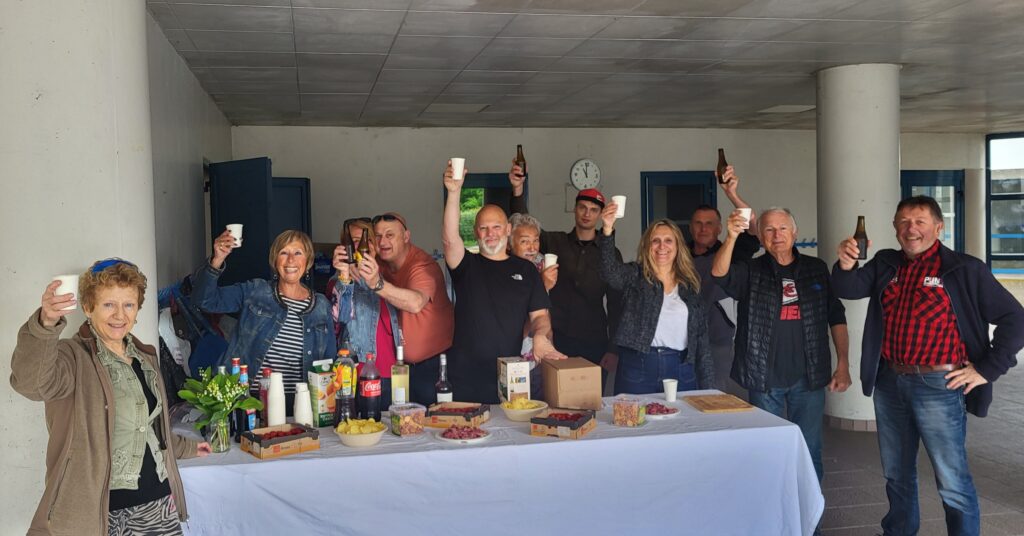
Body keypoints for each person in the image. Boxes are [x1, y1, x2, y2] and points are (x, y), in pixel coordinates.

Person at [832, 196, 1024, 535]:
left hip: (940, 386)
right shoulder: (885, 263)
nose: (911, 229)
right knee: (896, 473)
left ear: (938, 227)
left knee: (952, 480)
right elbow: (848, 288)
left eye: (920, 221)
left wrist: (986, 369)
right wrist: (845, 264)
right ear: (895, 228)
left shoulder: (964, 269)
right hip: (890, 381)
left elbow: (1015, 318)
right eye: (904, 222)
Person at [11, 259, 210, 536]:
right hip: (94, 514)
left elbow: (150, 428)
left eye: (128, 304)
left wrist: (188, 448)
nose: (119, 315)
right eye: (108, 304)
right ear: (88, 307)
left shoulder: (145, 358)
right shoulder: (72, 357)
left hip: (155, 503)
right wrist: (46, 323)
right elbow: (32, 384)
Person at [712, 207, 851, 481]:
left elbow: (836, 315)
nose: (777, 235)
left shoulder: (816, 268)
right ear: (761, 237)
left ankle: (810, 509)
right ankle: (773, 507)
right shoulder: (751, 270)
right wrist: (731, 237)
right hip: (763, 376)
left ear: (795, 233)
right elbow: (719, 274)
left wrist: (843, 364)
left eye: (783, 228)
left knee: (809, 450)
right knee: (768, 449)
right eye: (769, 229)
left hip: (808, 376)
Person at [443, 159, 566, 403]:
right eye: (484, 228)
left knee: (510, 426)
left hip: (509, 375)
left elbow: (540, 317)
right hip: (465, 375)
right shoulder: (466, 265)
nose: (491, 234)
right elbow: (449, 240)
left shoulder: (527, 270)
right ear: (476, 232)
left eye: (497, 227)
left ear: (508, 230)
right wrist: (454, 193)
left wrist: (540, 336)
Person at [193, 229, 337, 411]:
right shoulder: (256, 291)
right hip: (247, 402)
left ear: (308, 262)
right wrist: (217, 259)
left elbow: (328, 362)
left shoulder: (321, 306)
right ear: (275, 260)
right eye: (283, 253)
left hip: (299, 405)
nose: (290, 260)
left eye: (298, 253)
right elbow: (205, 301)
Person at [509, 162, 622, 387]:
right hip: (556, 337)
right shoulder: (555, 242)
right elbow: (524, 225)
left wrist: (613, 349)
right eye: (582, 207)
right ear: (574, 209)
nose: (587, 214)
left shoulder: (609, 253)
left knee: (589, 398)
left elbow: (616, 304)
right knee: (556, 396)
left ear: (601, 214)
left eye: (593, 210)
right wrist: (517, 189)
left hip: (594, 340)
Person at [598, 204, 714, 395]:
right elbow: (609, 272)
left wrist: (709, 390)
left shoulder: (690, 285)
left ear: (678, 246)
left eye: (668, 240)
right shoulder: (635, 275)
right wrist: (607, 229)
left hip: (681, 367)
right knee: (634, 415)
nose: (662, 247)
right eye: (655, 241)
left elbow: (702, 339)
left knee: (682, 415)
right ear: (647, 246)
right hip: (638, 366)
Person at [689, 165, 761, 397]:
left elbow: (753, 228)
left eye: (709, 223)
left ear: (720, 228)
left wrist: (731, 194)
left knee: (715, 398)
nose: (703, 228)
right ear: (690, 227)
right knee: (683, 396)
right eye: (698, 223)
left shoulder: (733, 251)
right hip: (683, 341)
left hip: (718, 341)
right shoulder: (677, 254)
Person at [329, 219, 402, 407]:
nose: (363, 245)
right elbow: (341, 317)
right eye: (355, 241)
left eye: (369, 239)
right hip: (357, 373)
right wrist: (345, 275)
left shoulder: (386, 277)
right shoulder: (338, 281)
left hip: (392, 372)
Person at [509, 212, 553, 399]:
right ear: (510, 243)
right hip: (516, 354)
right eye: (525, 241)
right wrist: (543, 287)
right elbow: (518, 318)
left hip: (539, 350)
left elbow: (544, 313)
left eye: (535, 240)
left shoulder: (540, 265)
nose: (532, 247)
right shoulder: (506, 269)